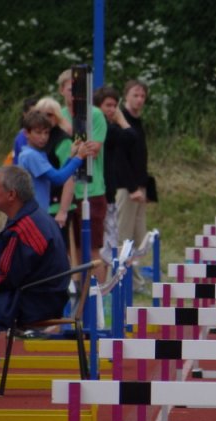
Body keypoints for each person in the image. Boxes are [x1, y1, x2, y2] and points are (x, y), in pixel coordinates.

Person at [0, 166, 72, 396]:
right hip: (45, 296)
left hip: (33, 303)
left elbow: (7, 278)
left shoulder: (23, 228)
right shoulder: (35, 217)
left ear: (12, 195)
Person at [58, 68, 108, 282]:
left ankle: (100, 296)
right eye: (71, 90)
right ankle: (78, 293)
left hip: (91, 189)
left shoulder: (94, 114)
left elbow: (93, 148)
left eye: (80, 90)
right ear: (62, 91)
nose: (75, 95)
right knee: (71, 250)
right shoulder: (56, 114)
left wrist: (70, 129)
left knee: (91, 249)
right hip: (63, 189)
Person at [93, 85, 136, 262]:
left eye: (114, 106)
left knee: (110, 237)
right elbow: (131, 137)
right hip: (103, 187)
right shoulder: (107, 128)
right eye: (108, 105)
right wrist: (121, 119)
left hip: (108, 187)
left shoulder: (104, 126)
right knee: (108, 240)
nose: (112, 110)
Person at [17, 111, 88, 213]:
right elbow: (58, 179)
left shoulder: (33, 153)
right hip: (35, 213)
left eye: (46, 132)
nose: (43, 137)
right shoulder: (31, 155)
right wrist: (79, 158)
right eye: (38, 132)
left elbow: (57, 175)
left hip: (38, 211)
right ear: (26, 133)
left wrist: (71, 157)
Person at [116, 79, 150, 293]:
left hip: (140, 185)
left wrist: (143, 187)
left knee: (140, 236)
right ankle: (120, 280)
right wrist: (131, 187)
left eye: (142, 96)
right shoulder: (122, 120)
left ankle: (135, 281)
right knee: (123, 235)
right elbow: (119, 159)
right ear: (126, 96)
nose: (139, 100)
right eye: (135, 95)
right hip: (125, 187)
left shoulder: (138, 121)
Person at [33, 96, 76, 244]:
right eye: (40, 113)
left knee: (58, 252)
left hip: (57, 205)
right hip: (40, 205)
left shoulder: (63, 141)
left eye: (49, 114)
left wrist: (63, 211)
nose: (44, 117)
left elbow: (70, 175)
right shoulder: (36, 139)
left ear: (57, 117)